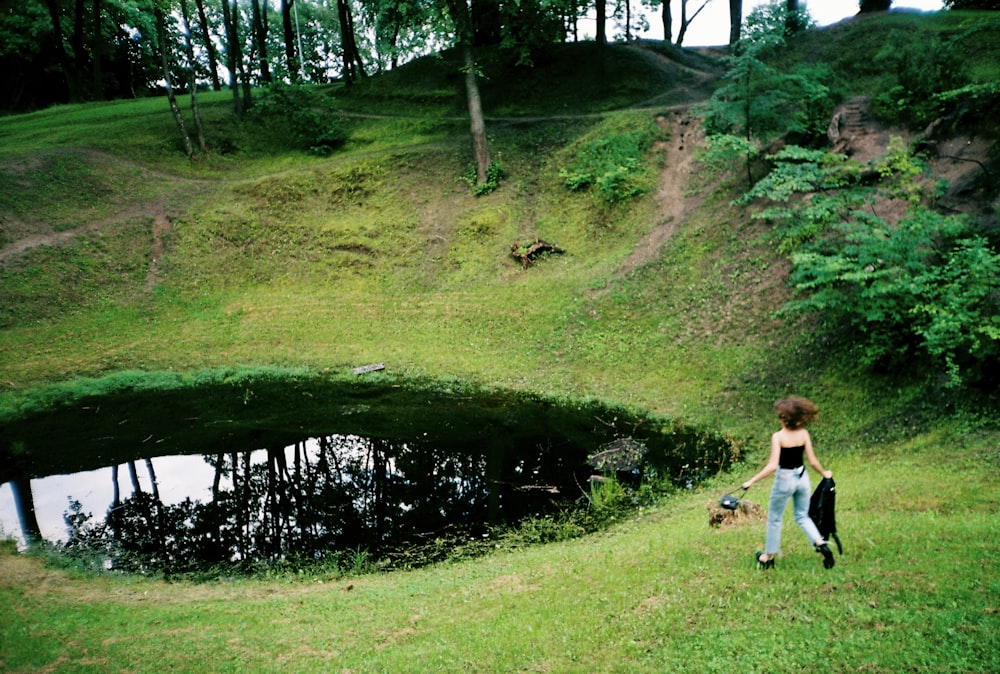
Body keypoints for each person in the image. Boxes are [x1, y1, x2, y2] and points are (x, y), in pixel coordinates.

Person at [741, 396, 835, 570]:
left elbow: (772, 466)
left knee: (775, 519)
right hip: (802, 477)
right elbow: (813, 461)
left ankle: (767, 557)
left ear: (785, 419)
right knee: (802, 516)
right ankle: (821, 544)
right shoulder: (803, 434)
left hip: (784, 479)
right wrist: (825, 474)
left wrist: (751, 481)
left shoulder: (778, 437)